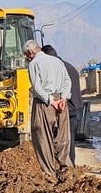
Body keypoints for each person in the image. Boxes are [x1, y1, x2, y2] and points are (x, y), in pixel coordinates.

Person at [24, 40, 72, 176]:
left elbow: (37, 87)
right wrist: (63, 98)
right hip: (61, 102)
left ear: (30, 52)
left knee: (42, 138)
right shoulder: (57, 61)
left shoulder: (34, 64)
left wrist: (51, 101)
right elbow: (67, 81)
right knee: (63, 137)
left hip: (43, 103)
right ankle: (66, 170)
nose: (27, 58)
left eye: (26, 55)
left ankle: (49, 173)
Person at [42, 44, 82, 164]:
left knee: (65, 140)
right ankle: (70, 164)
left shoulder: (57, 69)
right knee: (69, 139)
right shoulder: (69, 66)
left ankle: (69, 166)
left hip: (67, 108)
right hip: (76, 107)